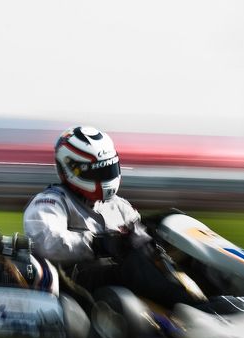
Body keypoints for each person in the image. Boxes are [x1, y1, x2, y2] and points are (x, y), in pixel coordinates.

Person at [23, 125, 202, 307]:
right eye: (98, 171)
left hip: (117, 273)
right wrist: (98, 243)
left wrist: (158, 233)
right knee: (135, 265)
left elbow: (139, 240)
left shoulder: (118, 206)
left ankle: (213, 294)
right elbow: (46, 243)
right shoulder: (50, 202)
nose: (106, 176)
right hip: (77, 281)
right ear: (71, 169)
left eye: (109, 169)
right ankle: (191, 305)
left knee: (177, 236)